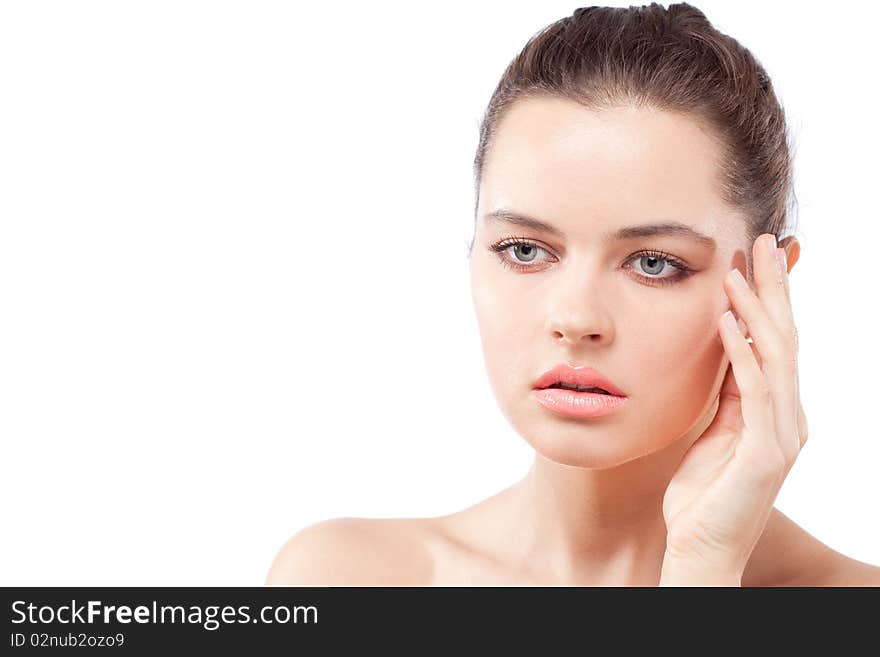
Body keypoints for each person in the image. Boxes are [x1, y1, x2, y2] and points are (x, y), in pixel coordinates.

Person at [266, 3, 880, 586]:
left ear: (770, 285)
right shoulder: (344, 578)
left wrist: (704, 565)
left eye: (654, 262)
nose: (576, 319)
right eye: (525, 250)